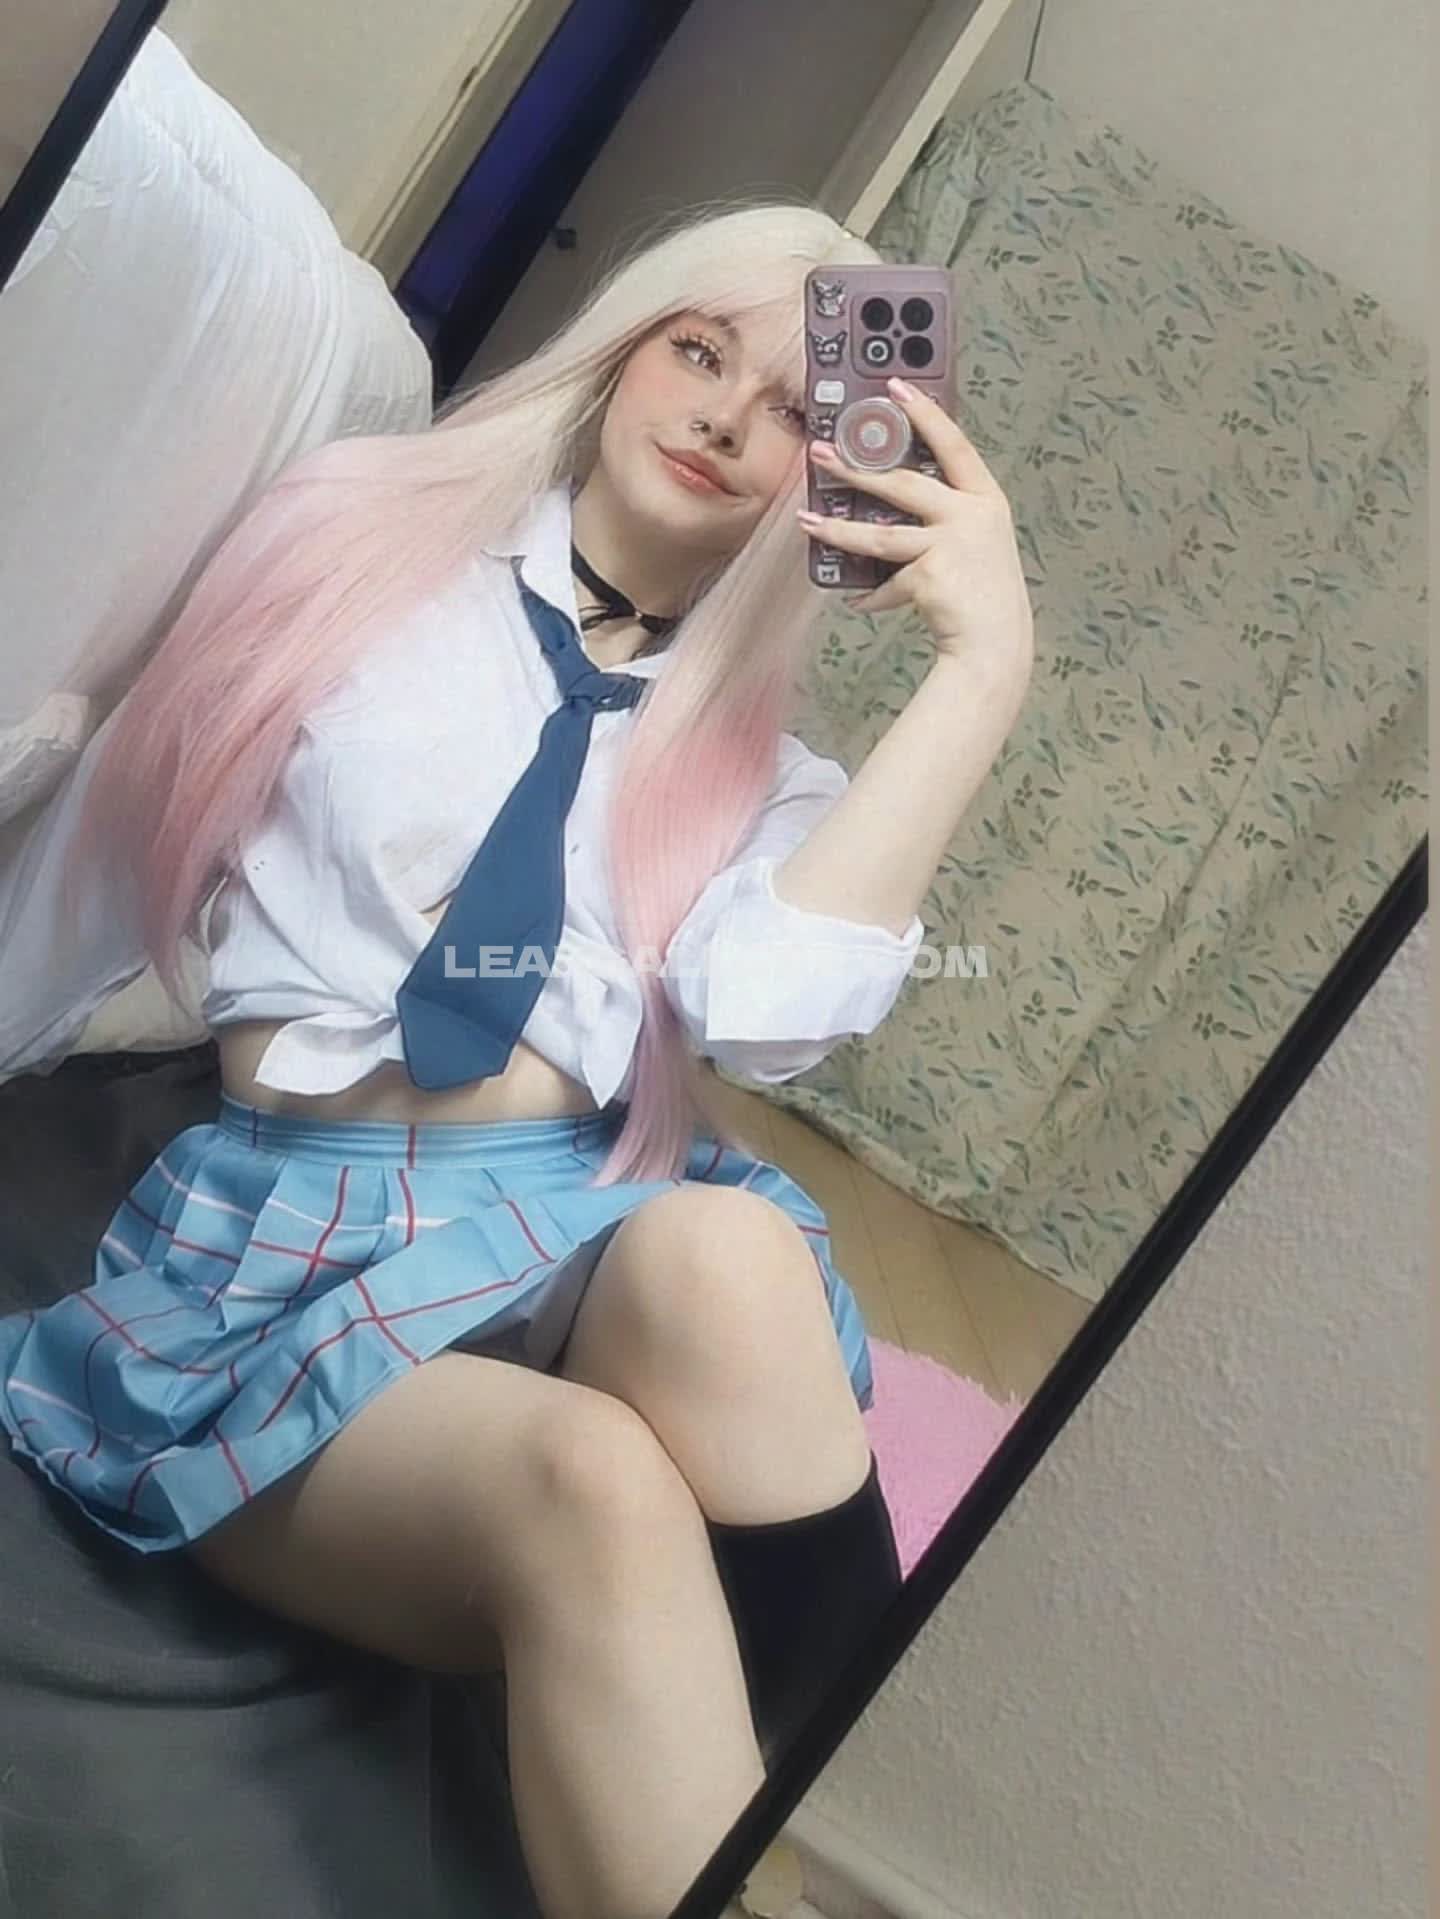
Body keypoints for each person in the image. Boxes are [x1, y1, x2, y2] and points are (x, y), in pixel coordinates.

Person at [0, 201, 1034, 1919]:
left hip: (567, 1213)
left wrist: (982, 666)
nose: (724, 417)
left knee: (732, 1253)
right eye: (698, 352)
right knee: (596, 1487)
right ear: (624, 349)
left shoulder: (763, 777)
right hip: (295, 1243)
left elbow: (769, 1013)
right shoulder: (359, 551)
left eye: (796, 408)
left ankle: (889, 1811)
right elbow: (105, 835)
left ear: (835, 474)